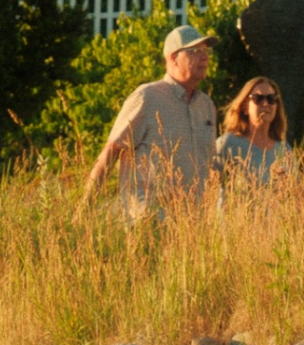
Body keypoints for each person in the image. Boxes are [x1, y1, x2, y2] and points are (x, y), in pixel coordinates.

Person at [80, 24, 218, 219]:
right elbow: (110, 152)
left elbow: (210, 166)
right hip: (150, 220)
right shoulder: (147, 97)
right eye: (195, 51)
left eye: (206, 51)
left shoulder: (206, 106)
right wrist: (84, 212)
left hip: (194, 226)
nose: (204, 57)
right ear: (173, 58)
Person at [215, 77, 296, 186]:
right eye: (258, 98)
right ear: (245, 106)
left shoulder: (284, 149)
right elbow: (209, 185)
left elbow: (298, 194)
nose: (265, 104)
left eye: (271, 99)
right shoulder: (228, 143)